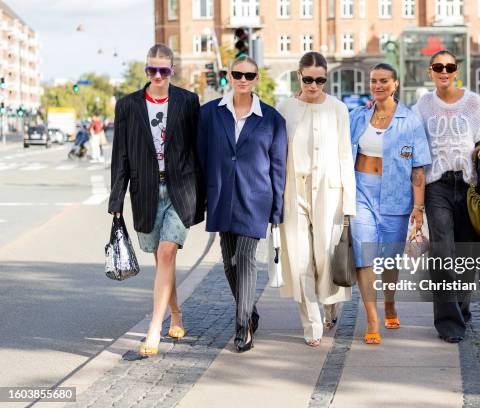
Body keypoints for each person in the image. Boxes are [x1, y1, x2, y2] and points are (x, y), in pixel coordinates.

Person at [108, 44, 204, 357]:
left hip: (180, 189)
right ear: (146, 70)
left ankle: (154, 329)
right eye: (153, 70)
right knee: (163, 261)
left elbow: (198, 151)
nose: (158, 75)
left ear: (172, 70)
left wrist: (203, 196)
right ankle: (176, 315)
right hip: (146, 192)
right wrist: (116, 202)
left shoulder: (188, 101)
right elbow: (120, 155)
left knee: (166, 253)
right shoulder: (128, 105)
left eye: (164, 70)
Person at [197, 56, 287, 353]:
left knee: (247, 258)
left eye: (249, 75)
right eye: (238, 74)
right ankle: (251, 311)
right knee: (230, 263)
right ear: (230, 76)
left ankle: (243, 326)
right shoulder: (210, 113)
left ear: (256, 78)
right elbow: (201, 157)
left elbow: (278, 166)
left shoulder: (272, 119)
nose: (243, 79)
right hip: (222, 198)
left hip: (255, 200)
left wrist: (276, 210)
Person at [276, 52, 356, 347]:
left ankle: (330, 304)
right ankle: (311, 323)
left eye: (320, 80)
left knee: (325, 255)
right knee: (298, 259)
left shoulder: (337, 109)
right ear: (299, 76)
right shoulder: (284, 108)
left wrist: (349, 202)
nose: (313, 85)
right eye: (308, 79)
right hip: (293, 191)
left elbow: (345, 154)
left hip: (329, 191)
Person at [413, 50, 480, 343]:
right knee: (443, 253)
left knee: (467, 254)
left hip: (468, 185)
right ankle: (448, 323)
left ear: (456, 70)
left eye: (449, 66)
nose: (444, 71)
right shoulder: (423, 104)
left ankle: (461, 308)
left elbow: (479, 140)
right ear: (430, 71)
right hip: (437, 186)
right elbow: (411, 136)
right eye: (438, 66)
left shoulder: (473, 103)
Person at [349, 63, 431, 345]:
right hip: (361, 192)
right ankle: (372, 317)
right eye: (373, 81)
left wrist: (418, 209)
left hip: (396, 196)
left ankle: (389, 301)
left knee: (389, 259)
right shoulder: (358, 116)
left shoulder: (410, 121)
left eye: (384, 81)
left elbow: (418, 169)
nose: (378, 86)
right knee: (364, 253)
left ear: (395, 84)